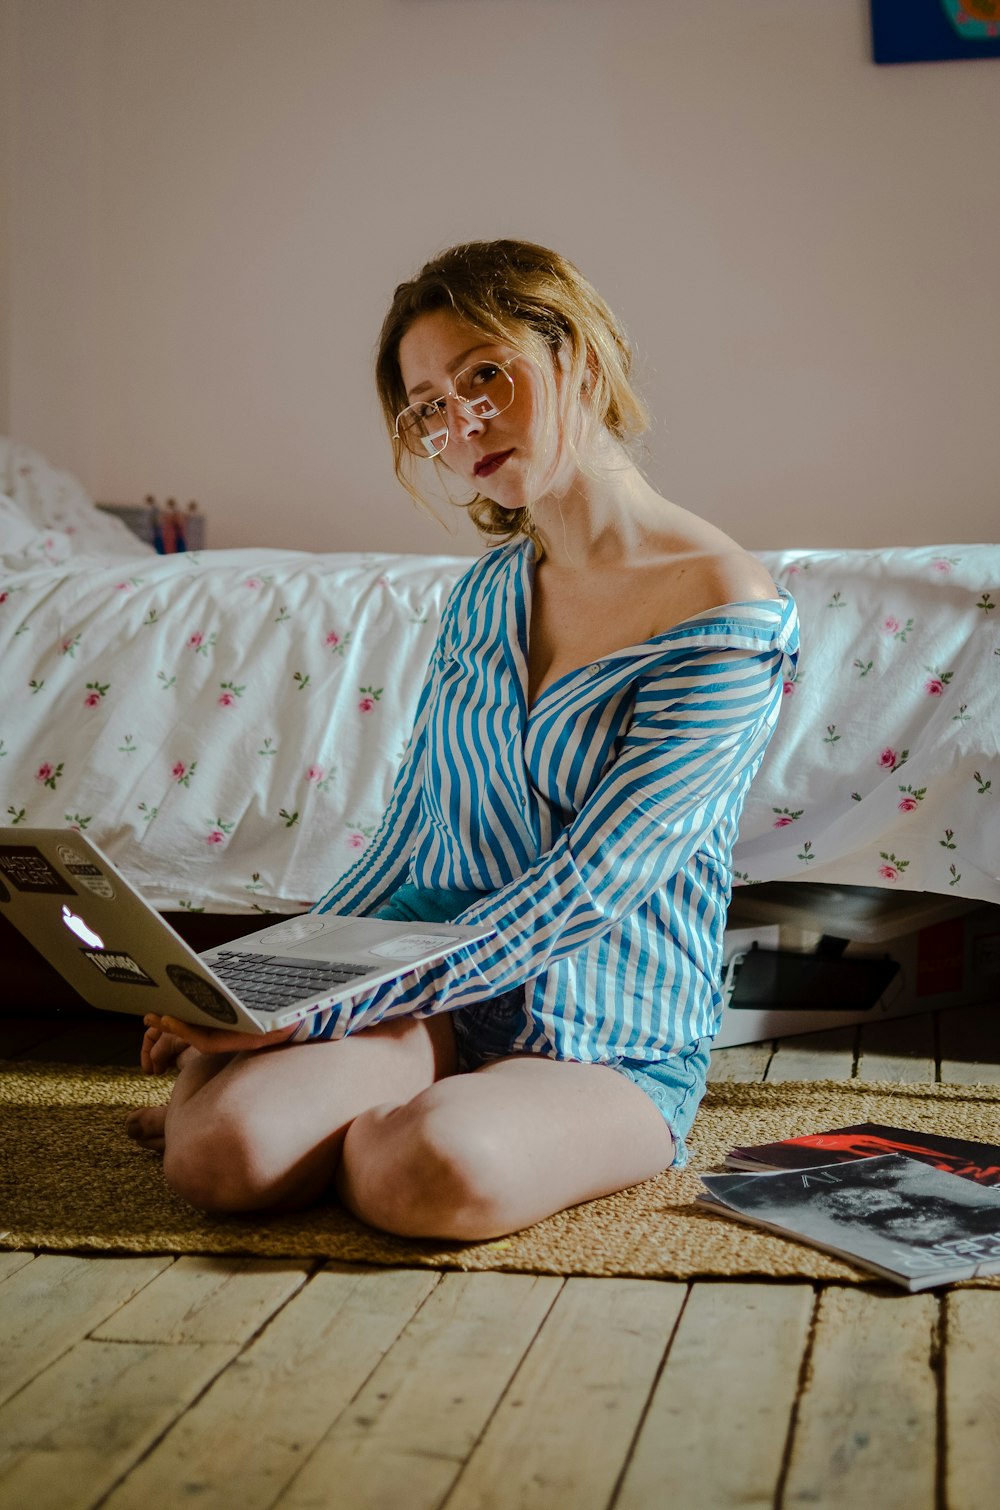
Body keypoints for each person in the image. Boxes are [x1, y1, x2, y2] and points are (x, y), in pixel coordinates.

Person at [126, 239, 798, 1240]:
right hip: (435, 1010)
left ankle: (369, 1125)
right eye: (429, 403)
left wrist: (311, 1019)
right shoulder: (485, 597)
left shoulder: (725, 605)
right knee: (221, 1156)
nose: (462, 419)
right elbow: (409, 843)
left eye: (486, 372)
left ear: (575, 352)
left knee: (427, 1170)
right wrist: (266, 978)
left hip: (605, 1042)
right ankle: (307, 1110)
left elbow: (593, 882)